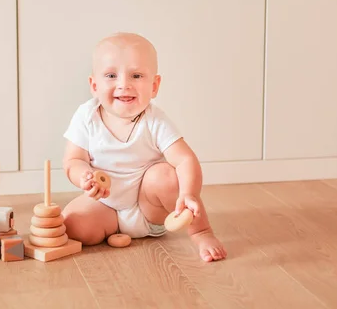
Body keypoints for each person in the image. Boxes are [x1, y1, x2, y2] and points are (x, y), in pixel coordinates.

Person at [61, 32, 227, 262]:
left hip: (147, 208)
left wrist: (188, 194)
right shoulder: (86, 116)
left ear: (154, 86)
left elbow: (185, 160)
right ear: (94, 85)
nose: (123, 85)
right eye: (111, 75)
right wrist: (84, 177)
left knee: (165, 176)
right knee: (68, 225)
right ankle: (113, 228)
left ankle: (201, 232)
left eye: (136, 75)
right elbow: (73, 161)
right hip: (105, 206)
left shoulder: (155, 120)